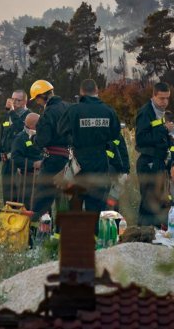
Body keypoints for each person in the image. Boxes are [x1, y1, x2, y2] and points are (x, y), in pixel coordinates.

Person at [58, 79, 121, 213]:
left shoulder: (74, 110)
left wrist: (74, 141)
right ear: (97, 91)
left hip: (79, 162)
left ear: (81, 92)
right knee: (96, 203)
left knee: (75, 202)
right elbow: (115, 135)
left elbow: (61, 131)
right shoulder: (108, 110)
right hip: (100, 161)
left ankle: (77, 232)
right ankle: (95, 232)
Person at [30, 79, 70, 223]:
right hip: (72, 162)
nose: (37, 103)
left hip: (53, 161)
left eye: (37, 99)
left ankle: (35, 237)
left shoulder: (48, 113)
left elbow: (42, 140)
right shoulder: (69, 107)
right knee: (65, 201)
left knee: (42, 199)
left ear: (42, 96)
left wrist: (34, 137)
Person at [135, 82, 173, 226]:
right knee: (148, 201)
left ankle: (154, 234)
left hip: (158, 161)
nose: (165, 102)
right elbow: (141, 138)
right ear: (153, 96)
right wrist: (164, 131)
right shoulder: (146, 112)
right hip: (148, 161)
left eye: (167, 98)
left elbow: (157, 136)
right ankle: (143, 235)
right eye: (161, 98)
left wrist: (169, 137)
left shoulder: (160, 112)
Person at [0, 90, 29, 200]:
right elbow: (2, 141)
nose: (14, 102)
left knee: (21, 200)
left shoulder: (30, 116)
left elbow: (22, 129)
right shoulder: (7, 117)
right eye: (13, 99)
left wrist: (11, 112)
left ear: (25, 101)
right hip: (7, 164)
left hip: (21, 165)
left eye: (18, 100)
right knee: (8, 199)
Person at [10, 112, 43, 207]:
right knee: (27, 207)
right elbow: (15, 158)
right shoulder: (20, 138)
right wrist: (33, 164)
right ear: (33, 125)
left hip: (41, 177)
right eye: (40, 122)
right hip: (27, 179)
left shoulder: (42, 136)